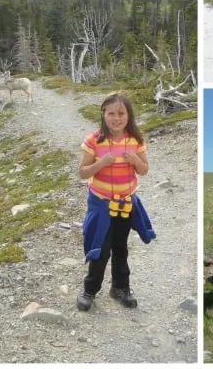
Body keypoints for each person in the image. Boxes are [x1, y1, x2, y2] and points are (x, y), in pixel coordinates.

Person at [76, 93, 154, 312]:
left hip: (125, 204)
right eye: (111, 113)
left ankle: (120, 288)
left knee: (120, 248)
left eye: (121, 113)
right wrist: (101, 162)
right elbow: (82, 172)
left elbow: (144, 170)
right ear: (103, 114)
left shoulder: (136, 140)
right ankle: (90, 290)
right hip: (101, 204)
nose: (116, 118)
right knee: (100, 248)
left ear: (129, 115)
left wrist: (135, 160)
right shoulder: (94, 140)